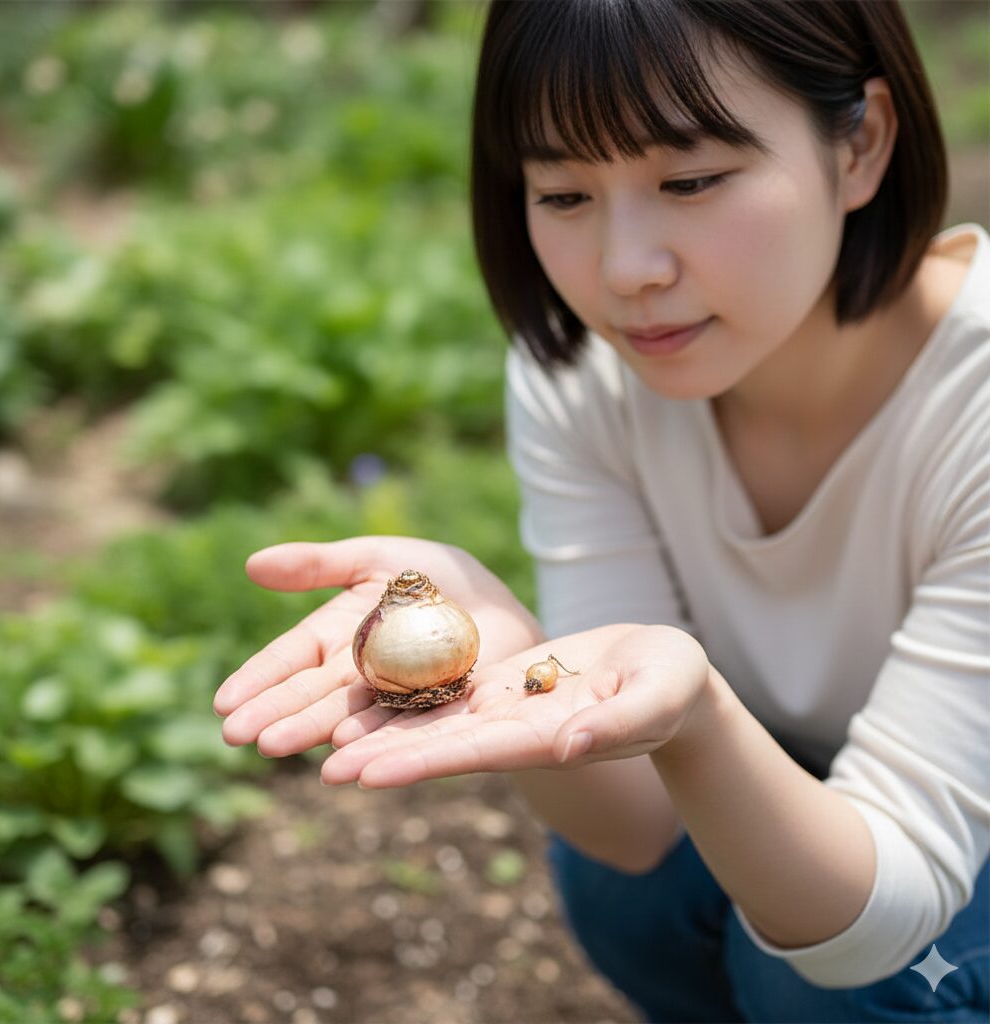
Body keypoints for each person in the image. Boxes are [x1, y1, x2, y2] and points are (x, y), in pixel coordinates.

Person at [213, 1, 989, 1020]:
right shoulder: (588, 370)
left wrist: (702, 720)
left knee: (817, 973)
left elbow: (878, 920)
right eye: (564, 192)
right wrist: (510, 657)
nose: (626, 272)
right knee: (628, 888)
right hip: (830, 787)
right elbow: (631, 832)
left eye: (691, 180)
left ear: (861, 145)